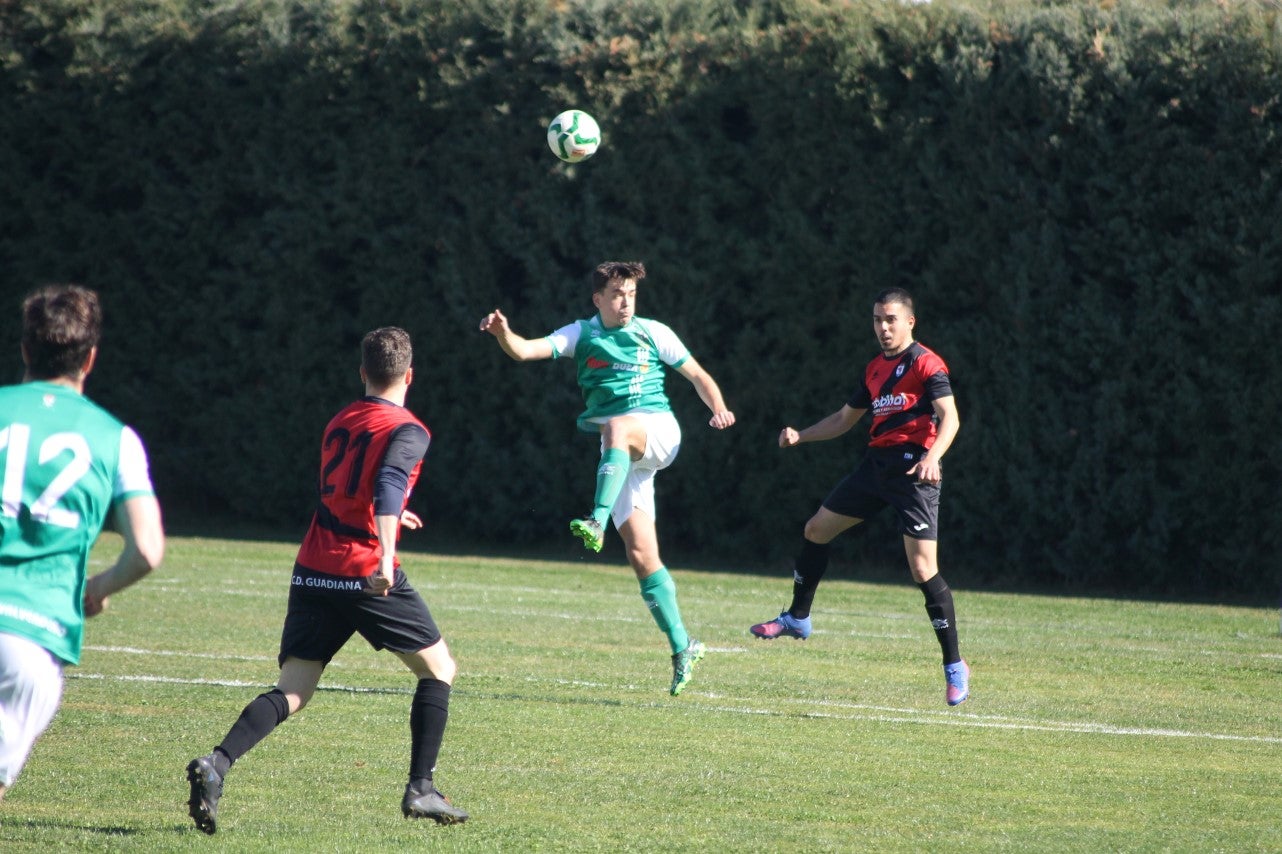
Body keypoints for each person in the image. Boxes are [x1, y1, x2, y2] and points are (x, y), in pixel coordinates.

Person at [185, 327, 468, 833]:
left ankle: (217, 764)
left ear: (363, 373)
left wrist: (391, 515)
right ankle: (421, 789)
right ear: (410, 375)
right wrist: (386, 553)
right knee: (439, 668)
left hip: (314, 568)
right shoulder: (410, 429)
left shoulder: (341, 419)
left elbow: (352, 489)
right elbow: (386, 485)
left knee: (293, 689)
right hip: (361, 570)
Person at [479, 261, 735, 696]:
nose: (626, 302)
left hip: (656, 432)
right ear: (597, 299)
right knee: (641, 557)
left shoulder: (654, 332)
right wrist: (503, 333)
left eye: (631, 294)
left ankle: (595, 519)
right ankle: (683, 646)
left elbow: (697, 375)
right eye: (617, 294)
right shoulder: (581, 333)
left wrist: (719, 407)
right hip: (619, 457)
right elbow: (524, 351)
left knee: (616, 425)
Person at [749, 287, 970, 706]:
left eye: (891, 319)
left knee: (923, 570)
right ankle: (798, 618)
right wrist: (802, 435)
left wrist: (932, 457)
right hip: (876, 468)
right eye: (876, 320)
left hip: (914, 474)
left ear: (910, 322)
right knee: (816, 529)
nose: (883, 328)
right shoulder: (873, 370)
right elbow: (843, 420)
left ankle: (955, 667)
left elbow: (951, 417)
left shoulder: (926, 362)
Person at [0, 284, 165, 801]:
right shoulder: (115, 439)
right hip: (31, 637)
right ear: (90, 359)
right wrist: (96, 589)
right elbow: (147, 550)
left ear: (25, 349)